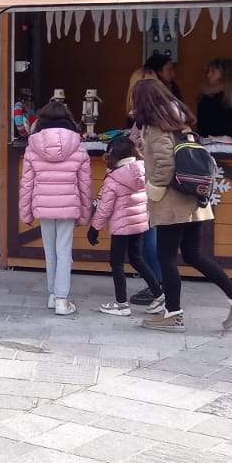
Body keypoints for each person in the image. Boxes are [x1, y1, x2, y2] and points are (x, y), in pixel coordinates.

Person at [133, 77, 232, 333]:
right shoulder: (179, 122)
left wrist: (152, 191)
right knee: (193, 254)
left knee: (166, 256)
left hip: (172, 201)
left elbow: (164, 166)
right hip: (195, 198)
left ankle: (173, 314)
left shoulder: (157, 128)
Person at [17, 99, 92, 317]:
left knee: (50, 252)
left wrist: (25, 212)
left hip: (44, 207)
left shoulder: (33, 146)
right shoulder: (78, 146)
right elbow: (85, 184)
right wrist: (85, 213)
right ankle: (62, 300)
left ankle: (52, 295)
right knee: (64, 251)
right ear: (67, 119)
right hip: (68, 207)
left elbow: (26, 184)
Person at [86, 135, 164, 316]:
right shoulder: (143, 170)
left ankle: (121, 304)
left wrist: (94, 229)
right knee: (137, 259)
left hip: (121, 227)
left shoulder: (113, 179)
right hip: (139, 224)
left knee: (117, 263)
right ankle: (159, 295)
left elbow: (104, 208)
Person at [122, 65, 165, 304]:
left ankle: (157, 286)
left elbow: (146, 149)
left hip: (152, 184)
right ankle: (159, 285)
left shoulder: (151, 122)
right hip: (154, 184)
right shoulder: (165, 115)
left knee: (150, 234)